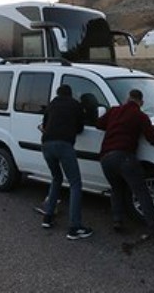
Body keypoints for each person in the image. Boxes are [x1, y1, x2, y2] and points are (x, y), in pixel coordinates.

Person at [96, 89, 154, 239]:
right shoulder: (140, 116)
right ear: (141, 103)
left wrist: (113, 125)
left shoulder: (114, 111)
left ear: (127, 98)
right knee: (141, 192)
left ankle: (117, 220)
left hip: (105, 158)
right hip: (125, 157)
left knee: (116, 188)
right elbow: (153, 139)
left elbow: (99, 124)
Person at [39, 84, 93, 240]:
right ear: (70, 94)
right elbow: (80, 128)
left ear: (57, 93)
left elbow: (44, 125)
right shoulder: (75, 105)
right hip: (64, 145)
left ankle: (48, 217)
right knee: (75, 183)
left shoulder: (51, 104)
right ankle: (74, 227)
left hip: (46, 145)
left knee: (56, 178)